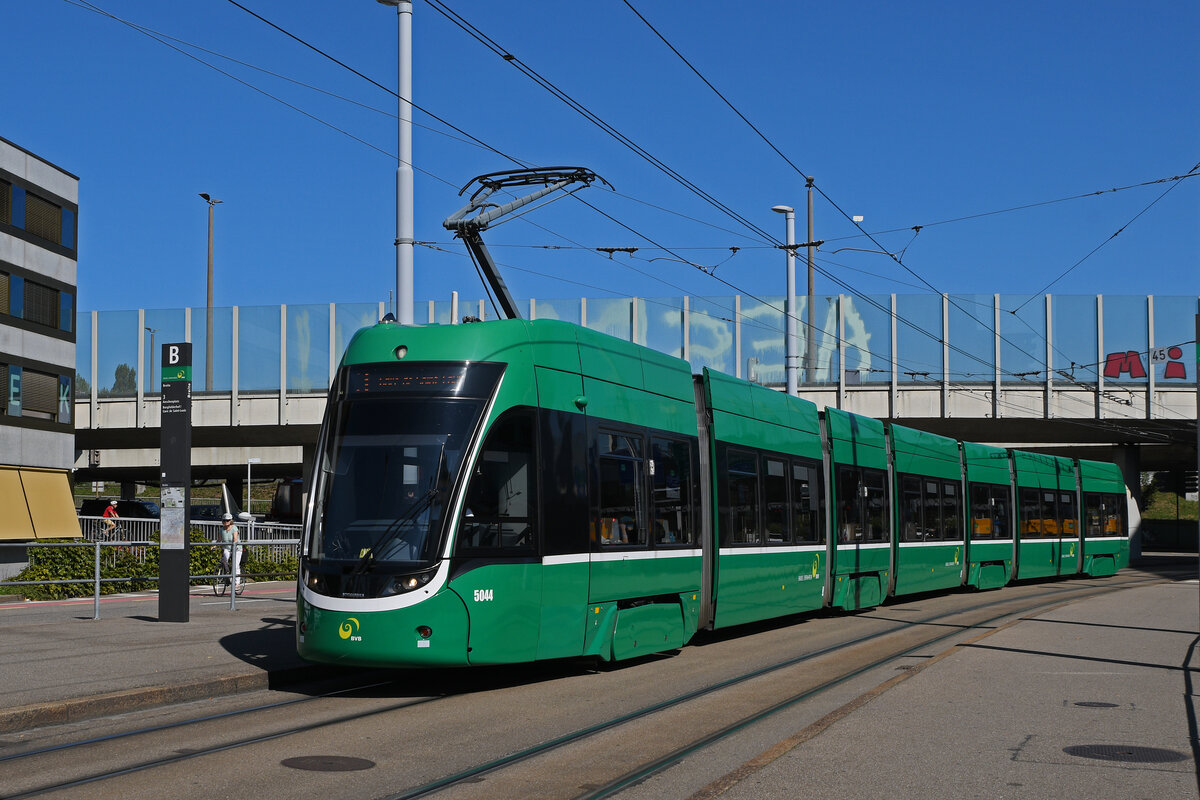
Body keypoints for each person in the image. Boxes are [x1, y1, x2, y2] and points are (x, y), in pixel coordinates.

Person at [219, 513, 243, 592]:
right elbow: (219, 540)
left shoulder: (234, 528)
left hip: (236, 548)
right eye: (224, 520)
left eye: (227, 520)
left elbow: (235, 539)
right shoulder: (222, 529)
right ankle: (227, 574)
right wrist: (214, 545)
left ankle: (237, 583)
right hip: (227, 548)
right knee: (224, 559)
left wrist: (234, 544)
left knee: (235, 565)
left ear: (231, 521)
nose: (226, 522)